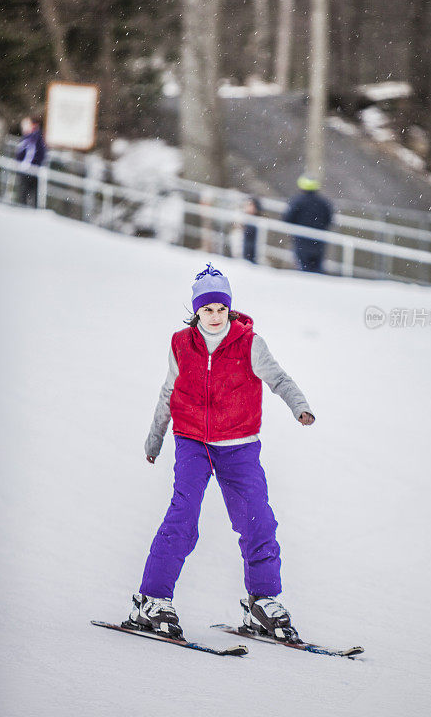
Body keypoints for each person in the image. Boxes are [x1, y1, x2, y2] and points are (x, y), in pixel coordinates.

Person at [125, 263, 315, 641]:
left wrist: (300, 406)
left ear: (230, 309)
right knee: (184, 514)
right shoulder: (182, 343)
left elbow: (279, 379)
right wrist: (155, 438)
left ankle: (262, 600)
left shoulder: (249, 343)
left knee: (257, 519)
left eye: (221, 309)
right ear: (196, 310)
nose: (215, 317)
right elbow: (169, 392)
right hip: (192, 441)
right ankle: (152, 599)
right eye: (207, 309)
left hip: (239, 445)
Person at [284, 175, 333, 273]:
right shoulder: (323, 202)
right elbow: (329, 220)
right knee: (316, 269)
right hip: (319, 242)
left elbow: (288, 218)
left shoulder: (297, 201)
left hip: (301, 241)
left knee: (304, 268)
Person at [15, 115, 46, 207]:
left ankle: (23, 207)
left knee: (24, 191)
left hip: (28, 168)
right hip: (34, 168)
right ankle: (31, 207)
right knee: (33, 191)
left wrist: (24, 164)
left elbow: (25, 151)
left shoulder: (32, 137)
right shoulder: (39, 137)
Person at [242, 196, 261, 263]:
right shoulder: (247, 221)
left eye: (250, 205)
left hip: (251, 258)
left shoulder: (255, 224)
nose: (246, 207)